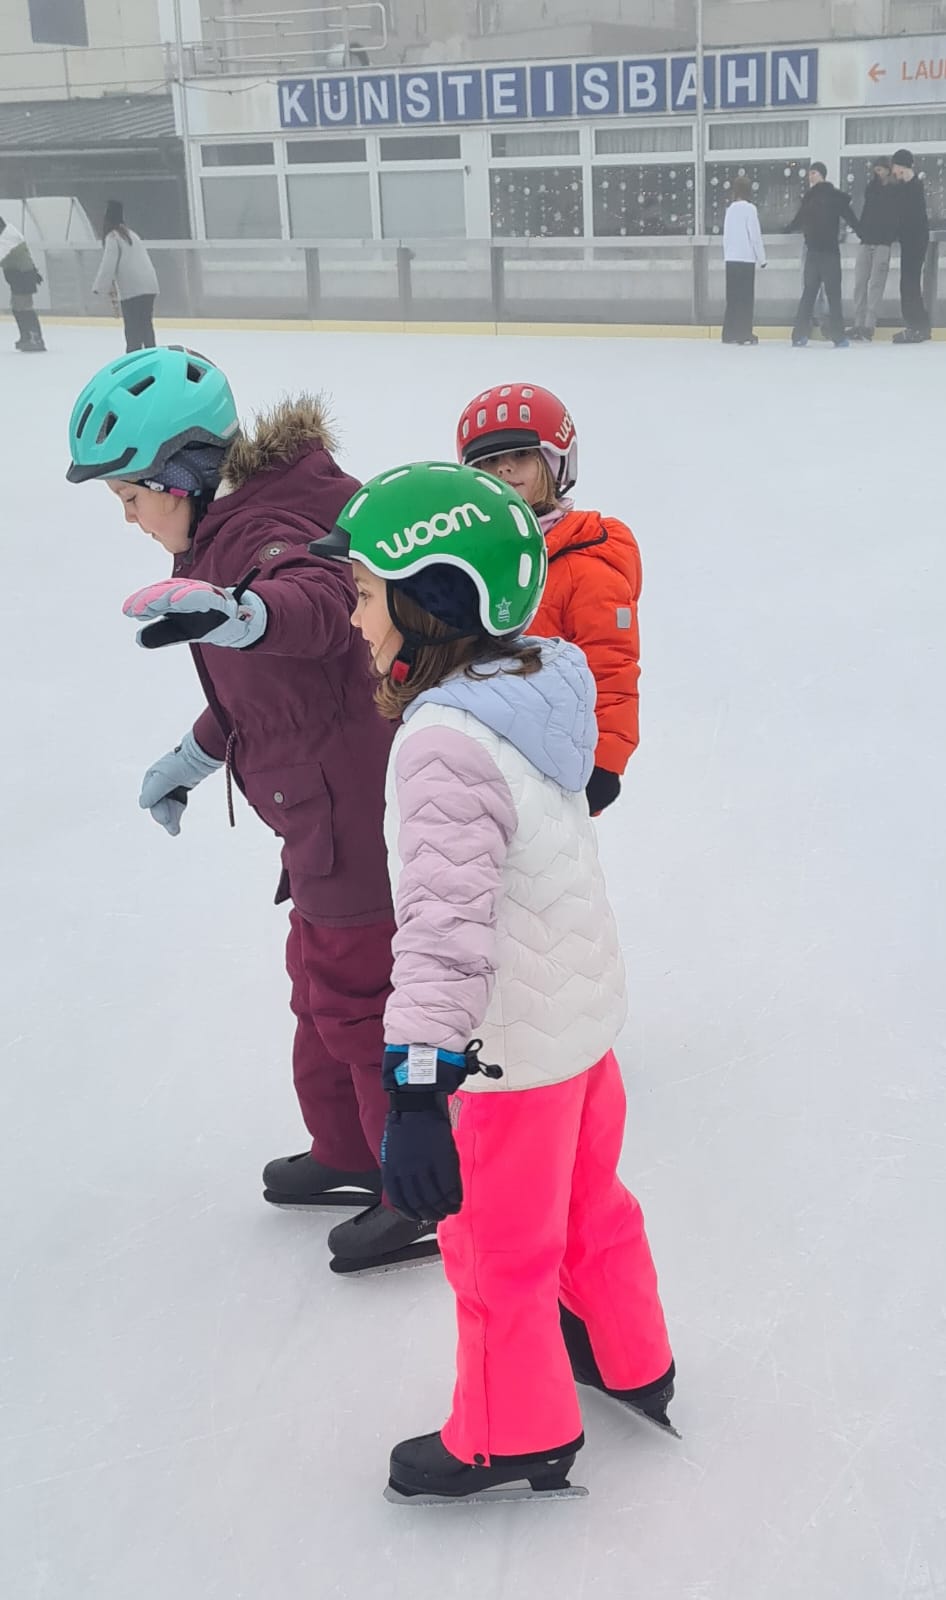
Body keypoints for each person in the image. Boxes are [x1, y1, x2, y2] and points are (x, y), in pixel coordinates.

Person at [315, 461, 675, 1504]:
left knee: (496, 1255)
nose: (352, 618)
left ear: (435, 598)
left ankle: (512, 1432)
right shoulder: (539, 686)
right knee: (594, 1206)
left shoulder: (444, 741)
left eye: (365, 593)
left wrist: (418, 1087)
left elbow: (442, 933)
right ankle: (629, 1356)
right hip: (580, 1029)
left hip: (508, 1053)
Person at [65, 346, 436, 1277]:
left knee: (361, 1001)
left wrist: (245, 613)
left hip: (352, 815)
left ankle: (415, 1187)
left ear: (183, 475)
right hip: (314, 810)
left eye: (131, 498)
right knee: (316, 987)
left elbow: (312, 599)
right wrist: (192, 758)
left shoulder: (260, 535)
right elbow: (264, 700)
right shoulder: (231, 528)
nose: (130, 519)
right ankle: (348, 1150)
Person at [455, 384, 640, 815]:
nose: (504, 469)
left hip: (550, 765)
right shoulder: (471, 556)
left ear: (555, 463)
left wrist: (604, 761)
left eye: (520, 455)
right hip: (476, 755)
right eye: (489, 461)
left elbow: (610, 665)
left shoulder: (586, 562)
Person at [787, 162, 861, 348]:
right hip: (815, 252)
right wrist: (786, 229)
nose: (810, 176)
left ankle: (836, 336)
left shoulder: (831, 197)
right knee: (811, 294)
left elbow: (850, 217)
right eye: (809, 173)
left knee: (831, 295)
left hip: (828, 252)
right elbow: (798, 220)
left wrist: (863, 232)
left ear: (822, 174)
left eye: (813, 173)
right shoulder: (810, 198)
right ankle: (801, 335)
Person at [92, 201, 160, 352]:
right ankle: (151, 354)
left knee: (133, 329)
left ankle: (133, 358)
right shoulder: (132, 234)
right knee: (146, 325)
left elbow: (108, 265)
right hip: (149, 286)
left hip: (133, 290)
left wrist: (99, 288)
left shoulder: (113, 237)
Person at [849, 159, 899, 341]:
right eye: (876, 170)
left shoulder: (895, 190)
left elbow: (896, 215)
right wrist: (861, 231)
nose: (878, 173)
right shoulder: (871, 188)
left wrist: (890, 234)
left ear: (887, 170)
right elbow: (867, 211)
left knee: (876, 284)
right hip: (867, 240)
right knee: (860, 282)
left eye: (880, 170)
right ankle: (858, 322)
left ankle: (869, 324)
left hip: (883, 243)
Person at [891, 149, 932, 344]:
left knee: (910, 284)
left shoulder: (914, 188)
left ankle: (918, 326)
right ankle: (917, 325)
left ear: (902, 166)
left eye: (895, 167)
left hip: (915, 242)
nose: (893, 171)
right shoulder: (904, 188)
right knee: (908, 284)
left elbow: (913, 218)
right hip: (909, 241)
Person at [721, 175, 766, 345]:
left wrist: (727, 254)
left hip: (731, 258)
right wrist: (762, 259)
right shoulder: (750, 209)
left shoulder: (730, 209)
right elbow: (755, 236)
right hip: (746, 259)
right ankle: (744, 332)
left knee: (732, 299)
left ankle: (729, 332)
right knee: (745, 299)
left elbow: (726, 236)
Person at [0, 215, 46, 353]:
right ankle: (26, 336)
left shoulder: (7, 238)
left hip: (23, 275)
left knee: (24, 307)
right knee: (17, 307)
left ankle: (35, 337)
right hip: (18, 275)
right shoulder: (8, 234)